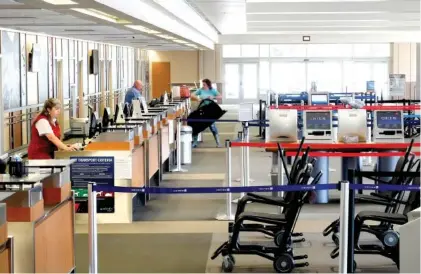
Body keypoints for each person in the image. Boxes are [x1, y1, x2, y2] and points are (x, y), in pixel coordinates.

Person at [191, 79, 222, 148]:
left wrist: (213, 97)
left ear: (208, 84)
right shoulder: (200, 90)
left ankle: (218, 142)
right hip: (201, 110)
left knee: (212, 127)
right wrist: (197, 98)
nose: (203, 86)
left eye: (204, 84)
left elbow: (220, 96)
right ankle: (195, 142)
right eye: (203, 84)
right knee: (197, 126)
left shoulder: (212, 90)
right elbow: (192, 95)